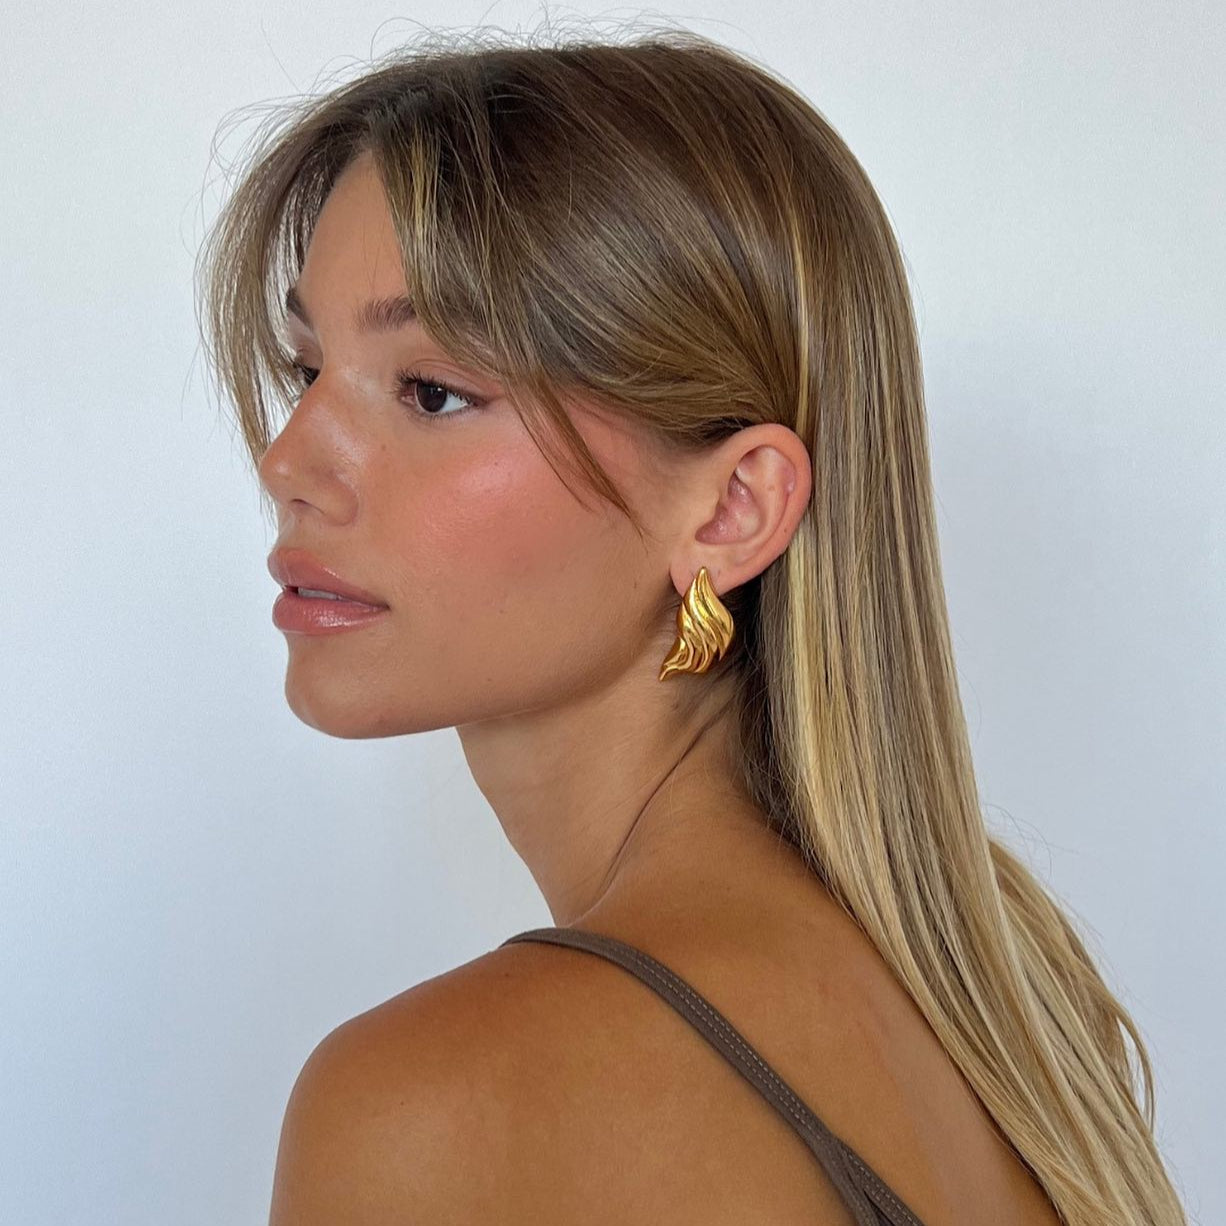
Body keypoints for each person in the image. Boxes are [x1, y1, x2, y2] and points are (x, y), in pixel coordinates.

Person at [196, 25, 1189, 1226]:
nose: (288, 460)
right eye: (305, 368)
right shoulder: (1015, 1014)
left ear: (730, 509)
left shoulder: (444, 1104)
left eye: (434, 390)